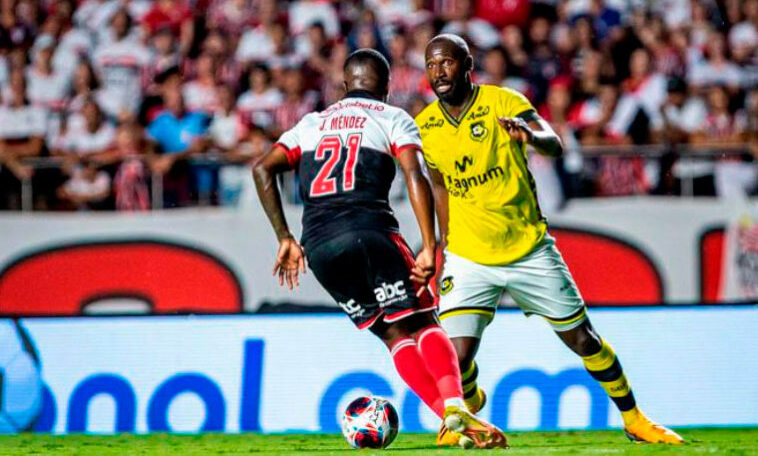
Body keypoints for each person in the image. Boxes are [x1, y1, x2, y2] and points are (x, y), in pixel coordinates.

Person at [415, 34, 683, 445]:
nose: (439, 72)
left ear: (467, 65)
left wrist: (529, 135)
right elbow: (438, 186)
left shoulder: (504, 102)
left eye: (447, 63)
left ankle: (634, 419)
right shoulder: (426, 126)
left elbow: (554, 144)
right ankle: (468, 404)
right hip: (469, 256)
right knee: (455, 357)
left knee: (583, 339)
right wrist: (442, 244)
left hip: (529, 250)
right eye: (432, 65)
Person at [252, 48, 507, 449]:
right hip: (370, 232)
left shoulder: (310, 123)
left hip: (319, 247)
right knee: (424, 322)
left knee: (392, 334)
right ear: (387, 88)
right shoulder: (391, 117)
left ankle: (450, 421)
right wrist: (430, 243)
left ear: (344, 86)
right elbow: (414, 172)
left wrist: (285, 237)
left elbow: (262, 168)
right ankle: (456, 406)